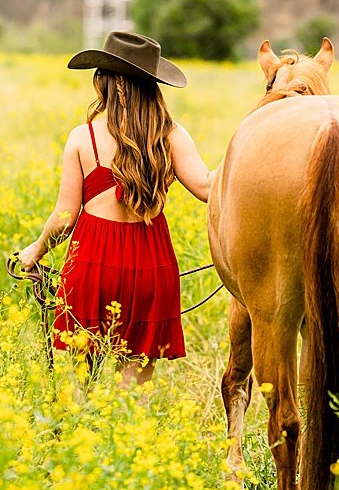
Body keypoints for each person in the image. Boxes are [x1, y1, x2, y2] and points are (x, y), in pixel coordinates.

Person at [17, 31, 211, 386]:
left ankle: (82, 439)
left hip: (92, 264)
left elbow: (64, 218)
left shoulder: (83, 137)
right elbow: (208, 188)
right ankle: (126, 440)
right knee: (133, 396)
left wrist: (36, 249)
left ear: (115, 83)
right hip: (150, 267)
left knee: (80, 387)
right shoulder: (170, 134)